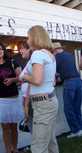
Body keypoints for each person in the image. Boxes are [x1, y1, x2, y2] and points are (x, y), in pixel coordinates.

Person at [20, 25, 59, 153]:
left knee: (38, 145)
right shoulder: (50, 55)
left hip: (42, 104)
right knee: (50, 141)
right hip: (49, 101)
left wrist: (25, 76)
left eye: (28, 38)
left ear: (35, 38)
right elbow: (50, 80)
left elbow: (37, 80)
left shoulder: (37, 54)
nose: (27, 41)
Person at [0, 42, 23, 153]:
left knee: (14, 127)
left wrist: (12, 80)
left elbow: (22, 77)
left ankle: (15, 149)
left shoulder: (12, 62)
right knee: (5, 128)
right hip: (1, 100)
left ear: (4, 51)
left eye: (1, 49)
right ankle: (8, 151)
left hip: (13, 99)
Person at [53, 42, 82, 138]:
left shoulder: (57, 56)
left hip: (69, 82)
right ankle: (80, 129)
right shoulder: (69, 55)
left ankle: (75, 131)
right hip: (78, 80)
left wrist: (58, 76)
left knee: (68, 109)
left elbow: (53, 71)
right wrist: (61, 75)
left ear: (55, 50)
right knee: (76, 107)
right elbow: (67, 68)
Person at [19, 41, 33, 133]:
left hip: (30, 98)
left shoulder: (31, 63)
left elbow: (31, 81)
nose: (20, 51)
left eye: (22, 48)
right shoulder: (28, 63)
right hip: (26, 97)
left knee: (33, 126)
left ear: (29, 49)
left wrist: (26, 106)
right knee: (31, 125)